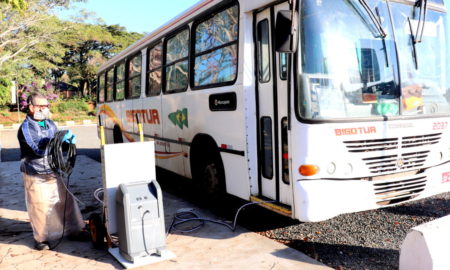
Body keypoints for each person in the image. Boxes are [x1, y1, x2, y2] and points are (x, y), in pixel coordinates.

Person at [17, 93, 86, 250]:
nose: (44, 109)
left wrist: (67, 143)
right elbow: (36, 151)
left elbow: (59, 146)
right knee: (39, 206)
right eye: (40, 106)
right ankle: (41, 239)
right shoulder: (25, 129)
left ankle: (74, 231)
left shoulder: (49, 124)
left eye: (46, 106)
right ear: (31, 107)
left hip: (54, 170)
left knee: (66, 201)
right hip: (35, 172)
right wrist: (56, 142)